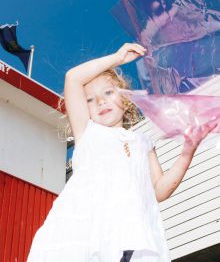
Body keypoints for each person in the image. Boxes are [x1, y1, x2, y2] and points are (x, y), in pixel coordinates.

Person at [27, 43, 217, 262]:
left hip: (129, 241)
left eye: (108, 92)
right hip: (88, 235)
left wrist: (187, 152)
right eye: (89, 99)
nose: (100, 101)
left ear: (126, 100)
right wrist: (117, 58)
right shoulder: (88, 133)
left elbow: (160, 191)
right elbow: (73, 78)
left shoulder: (143, 142)